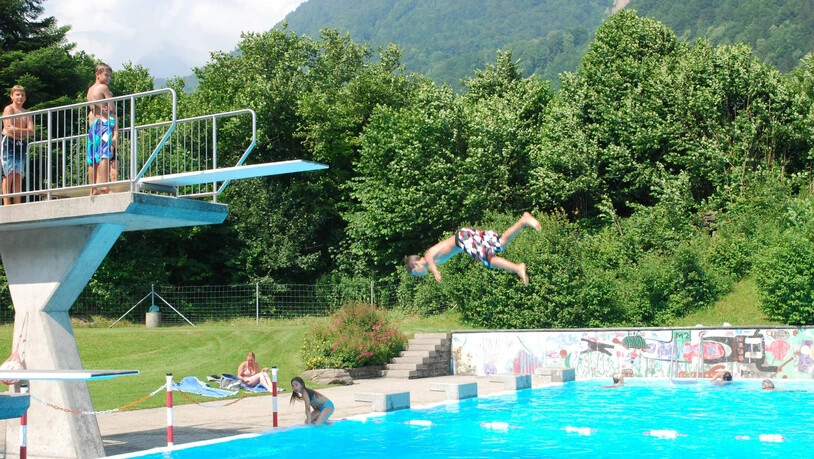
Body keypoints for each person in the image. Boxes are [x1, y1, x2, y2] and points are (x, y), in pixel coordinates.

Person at [404, 212, 542, 285]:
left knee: (487, 259)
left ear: (416, 264)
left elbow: (430, 261)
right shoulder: (432, 260)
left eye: (416, 272)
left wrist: (435, 272)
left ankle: (517, 268)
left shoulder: (428, 255)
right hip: (466, 237)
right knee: (499, 244)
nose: (419, 275)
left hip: (463, 238)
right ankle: (523, 220)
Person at [86, 62, 118, 195]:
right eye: (106, 75)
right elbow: (112, 108)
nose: (108, 78)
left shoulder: (89, 90)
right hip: (104, 124)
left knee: (93, 157)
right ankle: (105, 187)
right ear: (97, 74)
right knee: (104, 155)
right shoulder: (104, 88)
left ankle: (93, 188)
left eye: (110, 76)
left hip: (93, 124)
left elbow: (92, 108)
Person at [1, 85, 34, 205]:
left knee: (18, 174)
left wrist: (17, 130)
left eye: (22, 95)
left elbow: (32, 131)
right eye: (17, 94)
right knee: (8, 173)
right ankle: (6, 204)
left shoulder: (26, 112)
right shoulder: (9, 109)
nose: (20, 97)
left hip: (21, 144)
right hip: (8, 143)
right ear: (11, 96)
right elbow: (9, 129)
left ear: (25, 98)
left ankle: (17, 203)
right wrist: (23, 132)